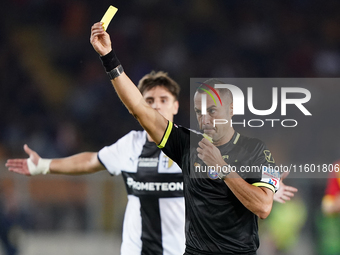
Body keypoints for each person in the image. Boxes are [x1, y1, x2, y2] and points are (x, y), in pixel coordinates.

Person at [89, 22, 283, 255]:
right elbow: (140, 109)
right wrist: (109, 57)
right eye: (199, 113)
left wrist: (222, 168)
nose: (205, 119)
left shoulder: (255, 150)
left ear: (231, 110)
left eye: (212, 111)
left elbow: (263, 206)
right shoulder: (187, 144)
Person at [5, 71, 186, 255]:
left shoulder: (190, 148)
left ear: (176, 106)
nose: (156, 106)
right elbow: (90, 161)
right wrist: (44, 165)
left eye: (164, 100)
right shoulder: (131, 144)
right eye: (149, 101)